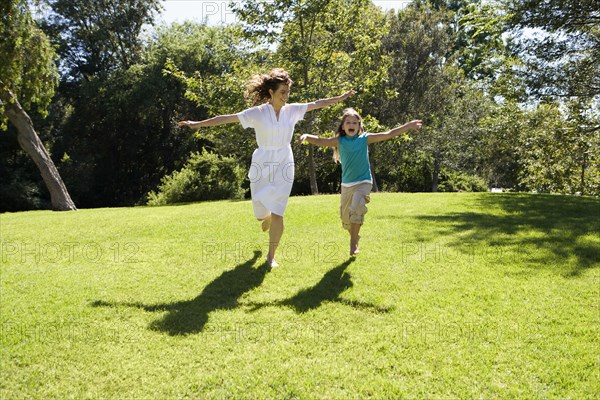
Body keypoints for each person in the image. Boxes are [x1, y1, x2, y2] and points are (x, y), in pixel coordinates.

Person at [178, 68, 354, 267]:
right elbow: (226, 118)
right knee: (260, 214)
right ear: (271, 92)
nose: (286, 97)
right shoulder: (257, 113)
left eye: (288, 92)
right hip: (262, 162)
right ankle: (266, 217)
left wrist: (341, 97)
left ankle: (271, 256)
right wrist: (197, 124)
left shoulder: (292, 110)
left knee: (279, 211)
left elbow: (317, 104)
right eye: (282, 92)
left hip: (284, 162)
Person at [299, 108, 422, 256]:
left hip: (363, 182)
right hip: (346, 185)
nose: (351, 125)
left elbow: (388, 134)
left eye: (354, 123)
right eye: (348, 122)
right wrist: (307, 136)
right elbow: (320, 140)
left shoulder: (365, 138)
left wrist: (408, 125)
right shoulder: (339, 141)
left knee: (357, 208)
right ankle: (355, 235)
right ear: (343, 126)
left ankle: (353, 244)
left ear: (359, 125)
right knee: (346, 220)